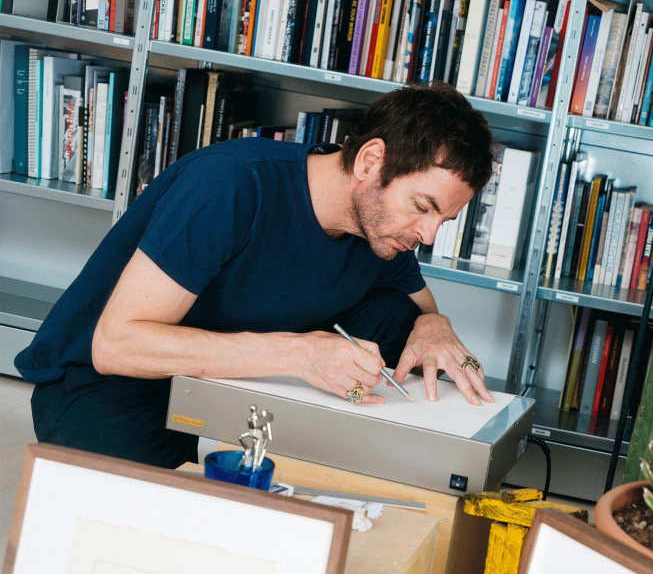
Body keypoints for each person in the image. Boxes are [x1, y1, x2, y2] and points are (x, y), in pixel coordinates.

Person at [15, 81, 497, 469]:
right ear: (372, 162)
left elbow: (418, 307)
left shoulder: (382, 231)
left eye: (444, 220)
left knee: (398, 315)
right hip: (112, 386)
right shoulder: (230, 184)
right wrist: (297, 352)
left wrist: (434, 324)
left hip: (236, 382)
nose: (429, 235)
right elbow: (117, 346)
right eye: (423, 207)